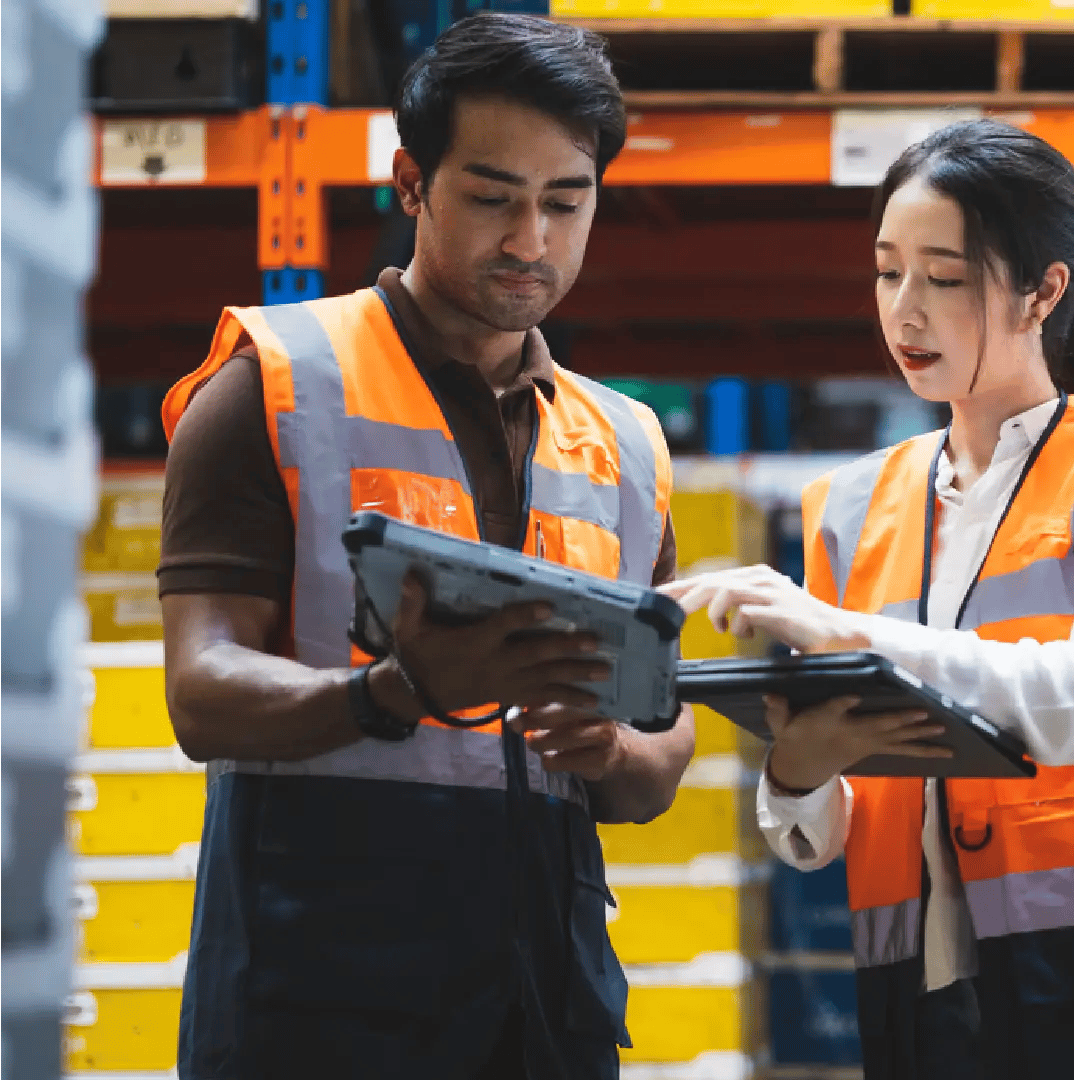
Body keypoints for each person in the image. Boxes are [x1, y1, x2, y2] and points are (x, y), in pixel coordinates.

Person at [155, 14, 695, 1079]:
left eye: (565, 202)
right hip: (314, 993)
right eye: (494, 197)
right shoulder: (270, 384)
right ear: (411, 184)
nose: (530, 241)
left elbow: (661, 746)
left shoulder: (627, 444)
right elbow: (197, 688)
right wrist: (390, 691)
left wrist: (617, 753)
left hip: (547, 998)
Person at [664, 119, 1074, 1080]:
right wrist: (797, 779)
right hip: (918, 1007)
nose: (905, 312)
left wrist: (851, 633)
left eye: (944, 277)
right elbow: (833, 824)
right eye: (889, 273)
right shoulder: (851, 506)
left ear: (1043, 292)